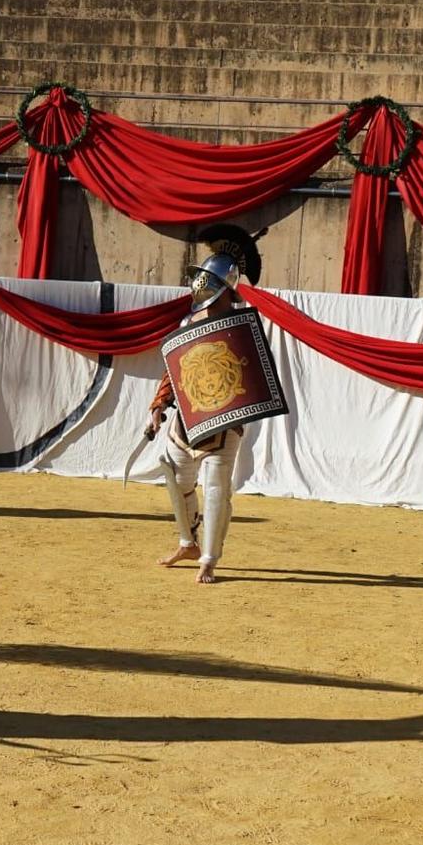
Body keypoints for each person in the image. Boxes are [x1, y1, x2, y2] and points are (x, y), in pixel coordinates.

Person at [146, 225, 265, 585]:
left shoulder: (240, 328)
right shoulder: (188, 322)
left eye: (208, 280)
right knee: (174, 475)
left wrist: (236, 413)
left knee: (215, 491)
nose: (201, 285)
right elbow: (174, 370)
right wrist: (158, 406)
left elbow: (251, 376)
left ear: (223, 287)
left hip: (223, 422)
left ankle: (209, 559)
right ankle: (188, 543)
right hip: (186, 422)